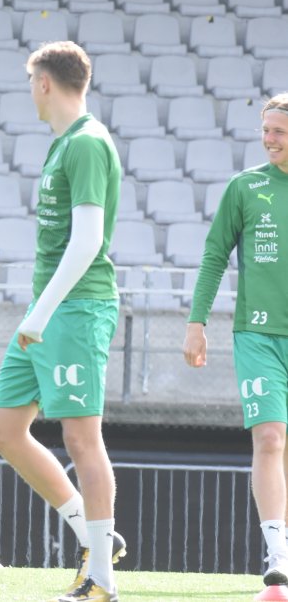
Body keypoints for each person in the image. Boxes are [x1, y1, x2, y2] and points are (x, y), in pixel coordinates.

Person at [0, 41, 125, 602]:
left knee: (82, 439)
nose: (30, 92)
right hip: (48, 309)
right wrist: (39, 311)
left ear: (44, 82)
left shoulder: (86, 142)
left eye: (30, 82)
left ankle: (101, 579)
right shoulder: (64, 143)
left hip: (74, 310)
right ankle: (95, 536)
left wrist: (41, 313)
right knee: (4, 430)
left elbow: (88, 241)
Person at [184, 93, 288, 589]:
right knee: (270, 438)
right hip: (258, 334)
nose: (269, 139)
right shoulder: (245, 187)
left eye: (278, 132)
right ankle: (277, 553)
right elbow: (214, 256)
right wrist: (196, 322)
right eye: (265, 130)